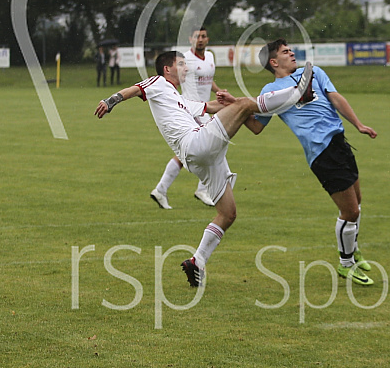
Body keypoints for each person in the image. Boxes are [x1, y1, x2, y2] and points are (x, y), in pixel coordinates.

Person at [95, 51, 313, 287]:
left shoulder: (179, 99)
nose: (186, 68)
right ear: (167, 69)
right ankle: (296, 94)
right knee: (245, 106)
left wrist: (227, 102)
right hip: (196, 144)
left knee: (228, 214)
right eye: (181, 64)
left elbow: (209, 107)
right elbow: (135, 89)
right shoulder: (158, 83)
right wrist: (110, 101)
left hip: (203, 158)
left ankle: (196, 261)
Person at [245, 39, 377, 286]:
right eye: (285, 52)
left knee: (357, 203)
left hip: (340, 143)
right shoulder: (270, 92)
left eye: (290, 49)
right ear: (274, 62)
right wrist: (238, 109)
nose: (292, 53)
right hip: (321, 152)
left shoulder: (314, 72)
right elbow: (256, 127)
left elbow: (335, 98)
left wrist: (358, 124)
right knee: (350, 211)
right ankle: (346, 263)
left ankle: (352, 249)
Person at [151, 27, 224, 209]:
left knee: (185, 154)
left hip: (205, 108)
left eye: (203, 36)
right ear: (191, 39)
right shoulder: (184, 59)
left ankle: (161, 189)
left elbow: (208, 79)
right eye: (197, 36)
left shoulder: (210, 57)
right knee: (216, 145)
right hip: (192, 109)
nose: (200, 39)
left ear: (208, 39)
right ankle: (203, 189)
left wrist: (218, 91)